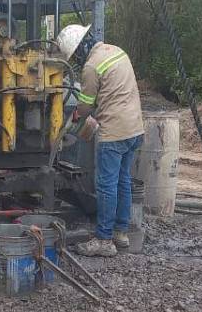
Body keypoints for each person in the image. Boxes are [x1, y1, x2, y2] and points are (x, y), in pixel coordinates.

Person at [56, 24, 144, 257]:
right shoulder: (117, 51)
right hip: (135, 128)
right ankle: (121, 233)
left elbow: (84, 105)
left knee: (106, 185)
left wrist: (75, 116)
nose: (76, 59)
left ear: (80, 50)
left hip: (114, 132)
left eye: (74, 56)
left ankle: (104, 240)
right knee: (122, 181)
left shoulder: (91, 66)